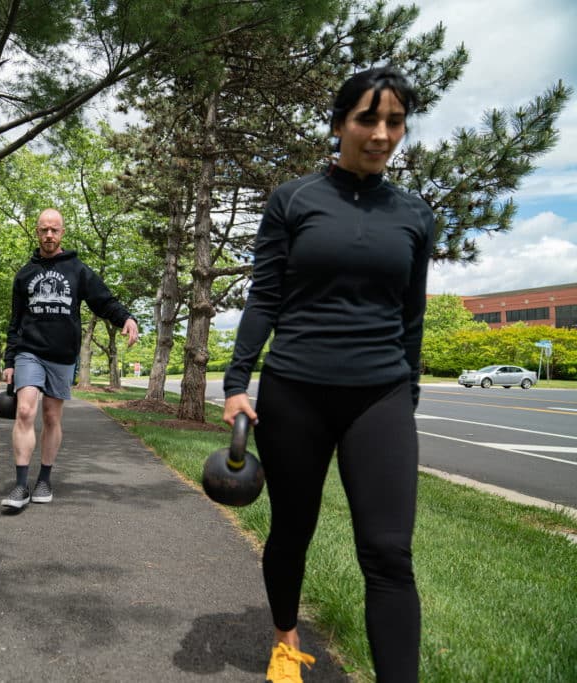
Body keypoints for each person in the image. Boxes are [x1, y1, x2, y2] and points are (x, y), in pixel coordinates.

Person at [221, 67, 434, 683]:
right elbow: (264, 298)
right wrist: (237, 384)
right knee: (292, 530)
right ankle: (286, 639)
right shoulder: (294, 199)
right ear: (340, 123)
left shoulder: (415, 215)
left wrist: (409, 393)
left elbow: (412, 313)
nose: (382, 133)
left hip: (381, 395)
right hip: (297, 392)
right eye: (368, 118)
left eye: (394, 121)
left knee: (390, 551)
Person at [1, 208, 139, 509]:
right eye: (44, 229)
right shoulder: (24, 275)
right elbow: (15, 322)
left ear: (62, 233)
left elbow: (104, 300)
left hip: (62, 355)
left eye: (55, 230)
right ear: (36, 232)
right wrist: (10, 360)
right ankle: (20, 486)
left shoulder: (78, 270)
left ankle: (44, 479)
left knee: (51, 416)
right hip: (29, 351)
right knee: (25, 410)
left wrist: (126, 318)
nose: (49, 235)